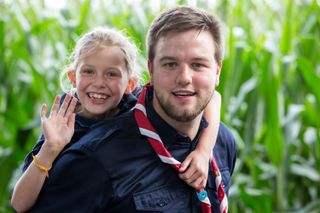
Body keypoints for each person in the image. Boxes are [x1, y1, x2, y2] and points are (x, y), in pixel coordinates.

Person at [11, 26, 222, 212]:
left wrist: (203, 151)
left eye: (111, 74)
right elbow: (20, 204)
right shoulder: (62, 124)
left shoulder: (134, 104)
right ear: (73, 77)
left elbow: (213, 97)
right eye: (89, 72)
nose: (99, 83)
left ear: (130, 84)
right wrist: (51, 148)